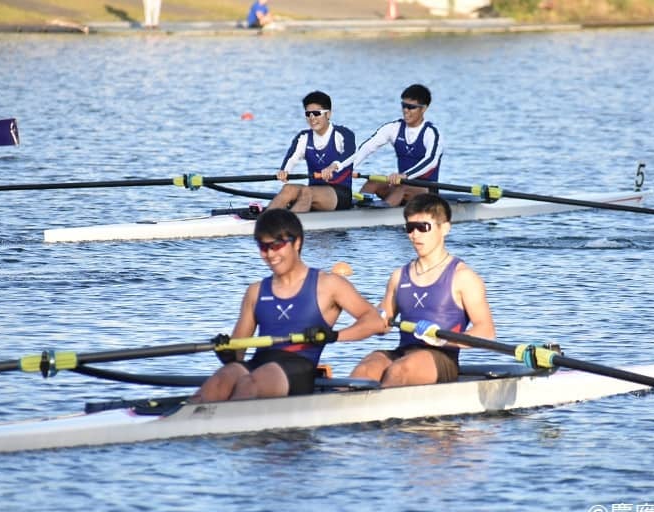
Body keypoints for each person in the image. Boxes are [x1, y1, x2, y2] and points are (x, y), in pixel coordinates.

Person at [191, 209, 383, 402]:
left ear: (297, 242)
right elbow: (238, 354)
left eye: (277, 245)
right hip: (259, 364)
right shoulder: (255, 291)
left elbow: (375, 322)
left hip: (298, 368)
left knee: (250, 384)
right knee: (220, 380)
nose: (270, 254)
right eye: (263, 247)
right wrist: (226, 353)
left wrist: (334, 336)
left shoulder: (329, 284)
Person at [350, 193, 495, 387]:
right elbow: (382, 325)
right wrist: (364, 313)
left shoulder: (463, 277)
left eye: (423, 227)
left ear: (445, 228)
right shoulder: (398, 276)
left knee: (399, 371)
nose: (415, 235)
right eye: (410, 228)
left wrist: (442, 341)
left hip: (441, 357)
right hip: (403, 352)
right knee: (365, 369)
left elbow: (486, 331)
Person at [323, 84, 443, 207]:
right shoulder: (393, 128)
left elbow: (431, 161)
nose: (406, 110)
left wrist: (405, 175)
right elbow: (366, 149)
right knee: (373, 182)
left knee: (402, 186)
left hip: (427, 190)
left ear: (423, 109)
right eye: (403, 105)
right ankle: (357, 209)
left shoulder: (431, 133)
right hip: (402, 183)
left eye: (411, 107)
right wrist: (342, 167)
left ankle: (384, 212)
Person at [267, 91, 356, 213]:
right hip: (314, 190)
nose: (312, 118)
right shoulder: (303, 137)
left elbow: (349, 154)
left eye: (317, 113)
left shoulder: (343, 134)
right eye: (308, 114)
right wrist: (284, 171)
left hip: (340, 193)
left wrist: (333, 167)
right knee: (288, 189)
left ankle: (289, 222)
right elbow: (292, 158)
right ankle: (265, 220)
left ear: (328, 114)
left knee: (306, 192)